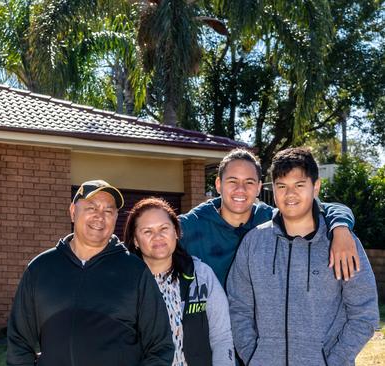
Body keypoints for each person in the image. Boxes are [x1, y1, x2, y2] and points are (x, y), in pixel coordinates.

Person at [226, 147, 379, 365]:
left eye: (299, 185)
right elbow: (238, 307)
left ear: (315, 187)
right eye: (282, 186)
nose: (290, 194)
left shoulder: (341, 243)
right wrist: (254, 356)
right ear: (273, 189)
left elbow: (364, 314)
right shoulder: (253, 242)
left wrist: (333, 361)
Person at [7, 180, 174, 366]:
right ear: (72, 212)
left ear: (115, 218)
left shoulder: (135, 272)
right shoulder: (40, 269)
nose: (100, 217)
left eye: (108, 211)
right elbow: (18, 345)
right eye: (91, 208)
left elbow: (160, 347)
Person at [179, 148, 358, 288]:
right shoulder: (192, 225)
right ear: (218, 184)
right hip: (206, 329)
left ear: (258, 187)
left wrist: (341, 228)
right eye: (232, 181)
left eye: (249, 182)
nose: (240, 189)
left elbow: (326, 208)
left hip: (254, 330)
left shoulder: (268, 219)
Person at [124, 197, 234, 366]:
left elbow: (222, 337)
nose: (158, 237)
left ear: (176, 232)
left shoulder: (201, 274)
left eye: (164, 228)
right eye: (147, 231)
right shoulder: (126, 283)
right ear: (136, 241)